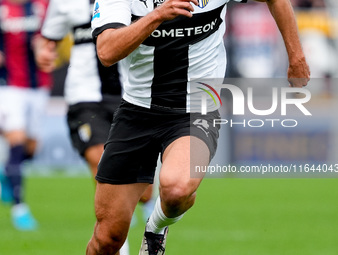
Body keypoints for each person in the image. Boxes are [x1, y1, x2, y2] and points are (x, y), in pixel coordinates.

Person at [87, 0, 310, 254]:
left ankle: (156, 229)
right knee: (107, 239)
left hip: (196, 109)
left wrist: (296, 56)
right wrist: (158, 15)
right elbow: (106, 51)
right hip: (137, 112)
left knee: (177, 188)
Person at [35, 0, 154, 253]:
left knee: (143, 192)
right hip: (83, 98)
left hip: (130, 95)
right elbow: (48, 40)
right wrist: (43, 53)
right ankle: (118, 242)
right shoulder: (64, 3)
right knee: (100, 161)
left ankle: (142, 207)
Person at [0, 0, 51, 231]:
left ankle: (6, 174)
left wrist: (49, 51)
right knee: (17, 142)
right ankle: (19, 208)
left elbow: (56, 41)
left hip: (39, 86)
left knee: (30, 149)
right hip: (9, 86)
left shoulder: (42, 5)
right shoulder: (2, 8)